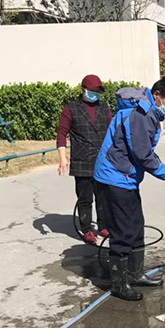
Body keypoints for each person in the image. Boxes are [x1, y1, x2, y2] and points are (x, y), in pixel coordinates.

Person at [94, 78, 165, 302]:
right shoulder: (139, 115)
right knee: (123, 230)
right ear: (157, 95)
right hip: (114, 177)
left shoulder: (148, 112)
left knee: (136, 225)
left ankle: (135, 274)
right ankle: (119, 284)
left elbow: (144, 151)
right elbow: (142, 154)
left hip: (126, 178)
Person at [57, 74, 112, 245]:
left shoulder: (104, 108)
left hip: (103, 160)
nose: (95, 94)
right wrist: (63, 158)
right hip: (82, 160)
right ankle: (87, 229)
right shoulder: (71, 108)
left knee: (104, 196)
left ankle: (103, 226)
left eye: (98, 91)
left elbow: (112, 132)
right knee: (85, 198)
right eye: (92, 91)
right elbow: (61, 133)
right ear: (83, 90)